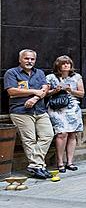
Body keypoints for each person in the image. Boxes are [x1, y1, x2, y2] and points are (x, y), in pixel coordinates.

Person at [4, 49, 53, 179]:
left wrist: (34, 98)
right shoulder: (12, 73)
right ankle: (39, 166)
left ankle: (35, 165)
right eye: (26, 58)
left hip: (40, 110)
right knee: (29, 140)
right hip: (21, 111)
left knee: (48, 135)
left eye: (32, 59)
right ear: (20, 59)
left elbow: (45, 89)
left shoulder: (40, 73)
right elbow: (12, 91)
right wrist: (35, 91)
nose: (29, 61)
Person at [45, 55, 84, 173]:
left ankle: (70, 162)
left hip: (72, 108)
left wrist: (71, 90)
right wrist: (54, 91)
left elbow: (82, 94)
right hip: (57, 108)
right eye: (63, 63)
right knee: (61, 134)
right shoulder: (50, 77)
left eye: (68, 63)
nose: (66, 65)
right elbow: (45, 93)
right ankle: (60, 162)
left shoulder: (76, 77)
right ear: (58, 65)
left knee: (72, 134)